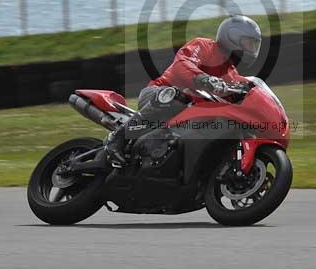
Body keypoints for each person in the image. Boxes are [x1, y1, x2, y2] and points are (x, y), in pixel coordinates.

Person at [104, 14, 262, 166]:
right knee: (178, 96)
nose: (253, 49)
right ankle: (117, 138)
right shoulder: (204, 46)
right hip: (158, 93)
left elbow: (239, 94)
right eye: (249, 43)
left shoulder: (231, 73)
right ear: (233, 38)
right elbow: (182, 63)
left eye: (255, 45)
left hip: (187, 114)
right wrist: (203, 78)